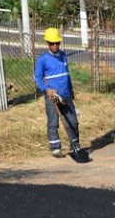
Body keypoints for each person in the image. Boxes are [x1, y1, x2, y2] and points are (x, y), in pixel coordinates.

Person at [35, 27, 87, 161]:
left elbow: (66, 74)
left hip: (66, 94)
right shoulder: (43, 59)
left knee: (73, 120)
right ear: (47, 43)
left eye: (57, 43)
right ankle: (55, 147)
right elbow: (38, 77)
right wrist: (47, 89)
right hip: (53, 95)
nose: (55, 45)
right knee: (54, 121)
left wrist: (71, 89)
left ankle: (75, 145)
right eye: (52, 43)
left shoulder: (63, 55)